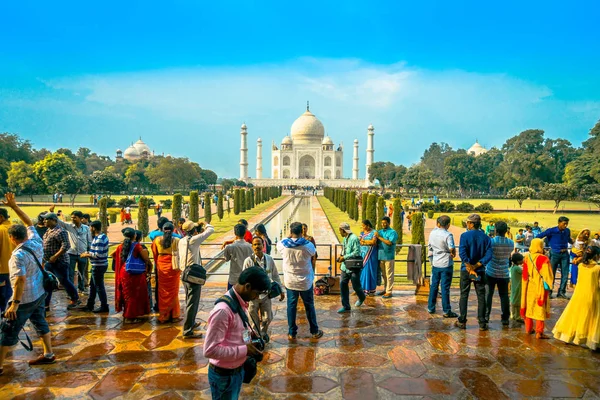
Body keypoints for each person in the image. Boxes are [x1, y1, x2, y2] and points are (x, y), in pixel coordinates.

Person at [0, 193, 55, 374]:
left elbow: (20, 281)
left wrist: (14, 305)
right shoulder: (35, 241)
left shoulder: (17, 256)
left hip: (24, 299)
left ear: (12, 238)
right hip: (39, 292)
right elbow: (29, 223)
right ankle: (48, 354)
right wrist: (14, 206)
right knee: (40, 322)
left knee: (8, 330)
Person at [203, 267, 269, 400]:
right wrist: (245, 350)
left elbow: (239, 329)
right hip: (224, 376)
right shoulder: (223, 311)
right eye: (257, 293)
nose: (256, 298)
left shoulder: (238, 302)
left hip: (236, 371)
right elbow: (210, 350)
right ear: (248, 286)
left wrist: (249, 335)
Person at [277, 222, 323, 340]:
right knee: (309, 306)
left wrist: (289, 236)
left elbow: (281, 244)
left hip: (290, 281)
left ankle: (292, 332)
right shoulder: (307, 245)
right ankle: (314, 331)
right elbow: (313, 254)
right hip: (305, 281)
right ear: (301, 232)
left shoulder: (283, 245)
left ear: (291, 231)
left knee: (291, 307)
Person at [552, 246, 600, 350]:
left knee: (575, 315)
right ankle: (589, 339)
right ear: (596, 256)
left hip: (578, 294)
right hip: (592, 295)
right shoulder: (597, 268)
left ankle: (569, 336)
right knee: (591, 319)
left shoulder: (581, 265)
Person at [242, 237, 284, 342]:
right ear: (252, 247)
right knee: (253, 319)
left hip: (266, 295)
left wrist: (281, 290)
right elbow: (243, 279)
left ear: (263, 245)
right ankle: (257, 337)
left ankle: (263, 332)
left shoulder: (269, 259)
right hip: (253, 297)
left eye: (259, 244)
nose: (257, 247)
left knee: (267, 318)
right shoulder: (248, 261)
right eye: (255, 244)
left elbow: (275, 275)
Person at [456, 214, 493, 331]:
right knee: (481, 296)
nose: (467, 224)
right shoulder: (486, 238)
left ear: (471, 224)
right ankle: (482, 322)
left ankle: (462, 320)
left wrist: (469, 266)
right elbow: (489, 255)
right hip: (480, 270)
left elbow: (462, 252)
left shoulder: (465, 236)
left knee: (464, 295)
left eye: (468, 222)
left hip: (466, 270)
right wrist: (477, 265)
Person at [179, 220, 215, 338]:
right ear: (193, 230)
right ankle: (187, 330)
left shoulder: (182, 241)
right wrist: (205, 223)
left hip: (184, 273)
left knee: (189, 300)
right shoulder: (194, 240)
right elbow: (211, 230)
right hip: (192, 274)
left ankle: (191, 322)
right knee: (192, 302)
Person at [42, 212, 80, 310]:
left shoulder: (60, 231)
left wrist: (55, 256)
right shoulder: (48, 231)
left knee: (64, 281)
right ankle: (46, 304)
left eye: (46, 219)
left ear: (54, 220)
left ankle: (75, 298)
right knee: (48, 282)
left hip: (60, 262)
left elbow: (66, 245)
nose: (44, 221)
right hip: (49, 262)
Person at [113, 228, 151, 323]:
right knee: (135, 295)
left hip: (124, 272)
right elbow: (146, 258)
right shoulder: (136, 246)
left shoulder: (120, 246)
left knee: (127, 295)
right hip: (135, 273)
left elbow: (114, 255)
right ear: (134, 236)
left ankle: (127, 315)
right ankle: (129, 316)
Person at [52, 209, 92, 295]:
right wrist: (52, 212)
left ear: (81, 218)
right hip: (71, 254)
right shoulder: (69, 226)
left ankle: (81, 289)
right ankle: (71, 292)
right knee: (70, 273)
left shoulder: (86, 228)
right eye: (72, 217)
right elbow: (58, 221)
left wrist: (88, 252)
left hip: (83, 254)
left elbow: (89, 241)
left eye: (75, 218)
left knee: (81, 272)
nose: (73, 219)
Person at [521, 238, 554, 339]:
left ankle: (528, 329)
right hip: (540, 287)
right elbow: (547, 275)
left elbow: (525, 275)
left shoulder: (527, 257)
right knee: (540, 309)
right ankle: (539, 332)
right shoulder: (544, 259)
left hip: (529, 286)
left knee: (529, 306)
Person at [484, 221, 514, 326]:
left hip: (491, 271)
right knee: (504, 296)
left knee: (488, 295)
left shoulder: (491, 241)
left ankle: (486, 316)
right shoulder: (511, 243)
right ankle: (505, 318)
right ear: (506, 231)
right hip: (504, 273)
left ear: (495, 230)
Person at [427, 215, 457, 318]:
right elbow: (451, 248)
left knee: (434, 286)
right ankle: (446, 310)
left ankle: (431, 307)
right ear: (448, 225)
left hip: (436, 262)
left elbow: (430, 246)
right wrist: (453, 253)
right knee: (445, 287)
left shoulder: (433, 233)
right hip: (446, 263)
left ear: (438, 224)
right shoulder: (448, 235)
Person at [151, 222, 182, 323]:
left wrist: (159, 263)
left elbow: (155, 254)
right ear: (173, 230)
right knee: (173, 292)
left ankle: (164, 316)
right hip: (173, 266)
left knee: (163, 291)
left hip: (162, 265)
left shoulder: (157, 240)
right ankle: (174, 315)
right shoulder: (177, 240)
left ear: (162, 230)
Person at [537, 216, 574, 299]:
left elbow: (568, 239)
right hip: (554, 253)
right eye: (564, 224)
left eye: (567, 224)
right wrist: (540, 248)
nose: (565, 226)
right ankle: (549, 292)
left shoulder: (567, 231)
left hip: (565, 254)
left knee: (565, 274)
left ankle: (561, 292)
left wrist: (575, 241)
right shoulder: (551, 231)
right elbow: (538, 236)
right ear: (559, 223)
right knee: (551, 273)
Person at [79, 220, 109, 313]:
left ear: (94, 228)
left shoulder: (99, 239)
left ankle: (104, 306)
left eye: (90, 227)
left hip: (98, 266)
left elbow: (98, 255)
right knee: (93, 285)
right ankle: (90, 304)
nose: (89, 229)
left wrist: (87, 254)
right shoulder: (100, 237)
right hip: (98, 265)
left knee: (99, 286)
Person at [337, 222, 366, 313]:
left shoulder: (354, 238)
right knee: (343, 284)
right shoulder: (345, 238)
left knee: (356, 286)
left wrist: (344, 257)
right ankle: (346, 306)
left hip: (353, 266)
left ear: (343, 230)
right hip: (345, 266)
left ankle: (362, 297)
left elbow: (357, 252)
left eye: (340, 230)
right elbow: (344, 250)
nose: (339, 232)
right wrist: (341, 259)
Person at [223, 224, 253, 291]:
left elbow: (226, 259)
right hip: (246, 279)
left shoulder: (230, 247)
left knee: (232, 299)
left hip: (234, 279)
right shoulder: (251, 247)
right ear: (245, 233)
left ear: (235, 233)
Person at [375, 216, 398, 299]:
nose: (383, 224)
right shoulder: (380, 231)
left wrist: (379, 237)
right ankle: (385, 289)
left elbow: (389, 242)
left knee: (389, 275)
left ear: (389, 223)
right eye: (382, 223)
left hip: (389, 256)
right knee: (384, 275)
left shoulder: (392, 232)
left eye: (385, 223)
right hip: (381, 256)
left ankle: (389, 291)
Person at [0, 207, 15, 312]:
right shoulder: (16, 228)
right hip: (14, 269)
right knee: (10, 295)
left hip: (1, 269)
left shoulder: (0, 230)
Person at [359, 220, 378, 296]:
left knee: (370, 271)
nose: (362, 227)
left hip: (371, 255)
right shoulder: (362, 233)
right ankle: (362, 289)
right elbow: (359, 241)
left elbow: (373, 242)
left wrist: (364, 241)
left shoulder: (374, 232)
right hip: (363, 255)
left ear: (368, 225)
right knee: (362, 272)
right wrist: (366, 242)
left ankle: (371, 290)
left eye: (363, 226)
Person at [509, 252, 525, 324]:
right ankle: (517, 316)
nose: (523, 261)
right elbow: (525, 273)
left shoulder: (512, 267)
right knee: (517, 302)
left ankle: (513, 315)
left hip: (513, 287)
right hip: (518, 287)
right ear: (518, 261)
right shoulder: (517, 268)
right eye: (522, 260)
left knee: (513, 301)